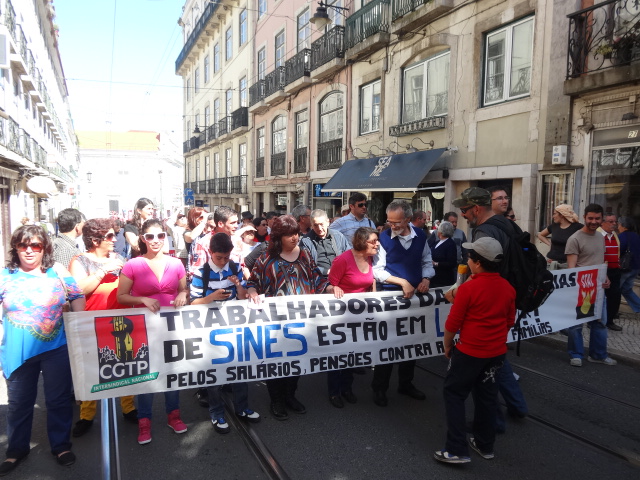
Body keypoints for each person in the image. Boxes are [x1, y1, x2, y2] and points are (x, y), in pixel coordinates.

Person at [0, 226, 86, 475]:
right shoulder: (5, 275)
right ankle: (16, 450)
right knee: (18, 403)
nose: (29, 250)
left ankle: (61, 446)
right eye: (23, 245)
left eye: (35, 245)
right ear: (15, 248)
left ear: (44, 248)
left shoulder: (57, 271)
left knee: (58, 400)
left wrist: (79, 328)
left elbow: (77, 297)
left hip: (56, 346)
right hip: (17, 350)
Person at [449, 187, 528, 431]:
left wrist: (461, 293)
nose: (463, 215)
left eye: (465, 210)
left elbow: (481, 272)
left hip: (488, 301)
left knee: (484, 371)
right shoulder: (506, 223)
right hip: (506, 297)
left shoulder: (484, 231)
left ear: (476, 208)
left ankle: (492, 423)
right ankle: (517, 405)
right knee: (496, 358)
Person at [434, 237, 515, 464]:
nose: (467, 260)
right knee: (487, 397)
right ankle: (484, 444)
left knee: (454, 394)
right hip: (496, 353)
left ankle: (456, 449)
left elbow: (453, 323)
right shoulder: (508, 288)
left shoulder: (469, 288)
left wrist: (447, 345)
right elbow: (510, 321)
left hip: (470, 352)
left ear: (478, 263)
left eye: (470, 257)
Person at [246, 215, 334, 419]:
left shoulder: (304, 254)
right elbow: (253, 282)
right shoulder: (266, 258)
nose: (295, 238)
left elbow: (316, 277)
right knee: (277, 361)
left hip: (301, 319)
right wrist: (252, 291)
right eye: (289, 235)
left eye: (296, 233)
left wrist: (329, 287)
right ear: (278, 237)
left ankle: (290, 395)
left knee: (296, 359)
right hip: (275, 321)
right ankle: (276, 400)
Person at [116, 219, 189, 444]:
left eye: (160, 236)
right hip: (143, 329)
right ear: (143, 239)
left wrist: (183, 294)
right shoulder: (133, 265)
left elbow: (184, 289)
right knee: (146, 374)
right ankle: (144, 421)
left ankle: (173, 415)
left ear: (165, 237)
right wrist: (142, 299)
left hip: (171, 327)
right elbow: (121, 296)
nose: (156, 240)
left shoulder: (176, 263)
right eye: (150, 236)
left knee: (172, 371)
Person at [68, 218, 137, 437]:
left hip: (120, 321)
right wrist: (102, 271)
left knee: (124, 364)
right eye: (109, 236)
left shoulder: (119, 258)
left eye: (114, 235)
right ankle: (87, 415)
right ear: (95, 239)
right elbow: (77, 290)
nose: (114, 239)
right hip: (92, 323)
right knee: (91, 369)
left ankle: (129, 408)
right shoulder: (80, 260)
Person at [190, 233, 260, 433]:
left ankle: (242, 407)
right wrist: (211, 297)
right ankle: (217, 412)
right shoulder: (201, 273)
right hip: (210, 329)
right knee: (213, 373)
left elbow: (242, 296)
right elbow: (193, 303)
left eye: (226, 258)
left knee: (240, 368)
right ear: (210, 253)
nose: (222, 262)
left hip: (234, 325)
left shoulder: (235, 267)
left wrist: (238, 285)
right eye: (219, 258)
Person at [372, 200, 434, 407]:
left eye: (396, 222)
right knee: (387, 344)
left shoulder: (421, 236)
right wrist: (402, 282)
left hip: (414, 298)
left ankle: (406, 383)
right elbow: (378, 270)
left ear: (408, 219)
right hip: (391, 297)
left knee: (412, 343)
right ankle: (379, 388)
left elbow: (426, 261)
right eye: (389, 221)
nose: (392, 226)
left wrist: (426, 279)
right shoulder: (383, 238)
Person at [328, 227, 378, 408]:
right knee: (338, 354)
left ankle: (346, 388)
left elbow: (371, 281)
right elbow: (329, 284)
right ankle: (334, 391)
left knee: (353, 353)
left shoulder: (372, 258)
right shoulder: (343, 260)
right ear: (362, 242)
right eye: (374, 241)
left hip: (360, 315)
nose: (377, 244)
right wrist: (334, 288)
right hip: (340, 316)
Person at [565, 203, 617, 367]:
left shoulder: (600, 237)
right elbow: (572, 268)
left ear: (602, 219)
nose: (594, 221)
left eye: (597, 219)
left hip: (598, 289)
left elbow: (599, 261)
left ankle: (598, 355)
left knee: (600, 323)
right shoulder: (574, 239)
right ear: (584, 217)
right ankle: (576, 354)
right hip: (581, 289)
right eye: (590, 218)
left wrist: (605, 277)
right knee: (576, 325)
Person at [300, 209, 349, 277]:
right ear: (311, 225)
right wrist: (326, 271)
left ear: (328, 222)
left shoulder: (338, 236)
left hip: (340, 275)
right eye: (316, 225)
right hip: (318, 277)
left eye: (321, 224)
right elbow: (305, 265)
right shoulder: (306, 241)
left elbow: (349, 256)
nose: (319, 228)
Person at [537, 204, 583, 270]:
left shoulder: (578, 227)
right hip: (551, 263)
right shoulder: (554, 226)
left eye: (554, 214)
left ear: (561, 215)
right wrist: (550, 244)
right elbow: (540, 235)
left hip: (568, 265)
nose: (553, 216)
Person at [598, 214, 623, 331]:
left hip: (615, 269)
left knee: (615, 296)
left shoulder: (614, 235)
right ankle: (595, 320)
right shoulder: (598, 235)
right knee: (599, 296)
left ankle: (610, 320)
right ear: (603, 223)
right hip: (602, 270)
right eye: (611, 221)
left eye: (615, 222)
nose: (614, 224)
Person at [618, 216, 640, 314]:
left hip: (625, 268)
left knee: (615, 290)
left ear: (623, 226)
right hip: (636, 268)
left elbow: (618, 251)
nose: (618, 227)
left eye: (619, 225)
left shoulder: (622, 237)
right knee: (626, 290)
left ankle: (612, 310)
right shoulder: (636, 236)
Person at [428, 221, 458, 288]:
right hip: (434, 277)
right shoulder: (437, 242)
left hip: (443, 279)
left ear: (441, 231)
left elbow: (452, 263)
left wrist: (436, 263)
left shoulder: (450, 244)